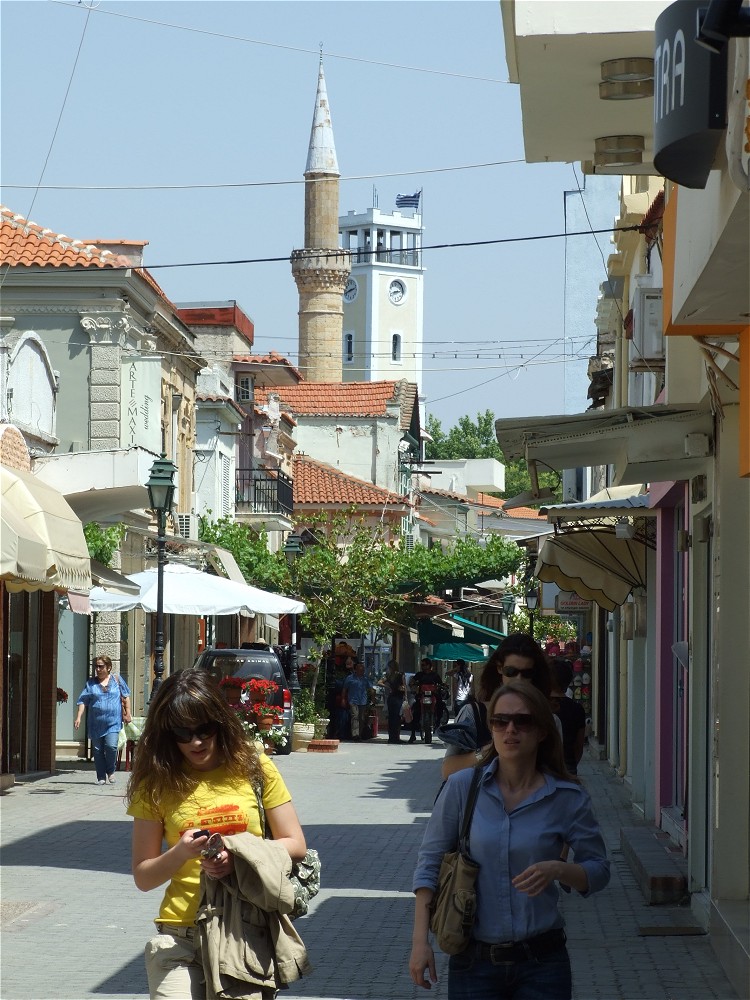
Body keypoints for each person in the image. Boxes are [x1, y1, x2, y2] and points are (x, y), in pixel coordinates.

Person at [410, 680, 610, 999]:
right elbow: (429, 865)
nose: (510, 730)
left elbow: (599, 870)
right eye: (500, 721)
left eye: (523, 721)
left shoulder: (566, 797)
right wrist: (421, 944)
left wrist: (559, 870)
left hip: (543, 963)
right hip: (474, 963)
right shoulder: (462, 788)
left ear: (542, 730)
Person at [126, 668, 308, 1000]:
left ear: (219, 722)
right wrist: (180, 853)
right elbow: (143, 876)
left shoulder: (254, 766)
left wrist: (235, 853)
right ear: (168, 734)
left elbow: (295, 844)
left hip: (244, 934)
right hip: (180, 936)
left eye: (204, 729)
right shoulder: (155, 784)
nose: (195, 741)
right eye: (182, 733)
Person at [442, 633, 551, 777]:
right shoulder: (474, 714)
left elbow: (558, 769)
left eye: (527, 673)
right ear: (500, 668)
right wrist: (487, 752)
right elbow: (448, 770)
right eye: (511, 672)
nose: (518, 679)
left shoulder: (547, 718)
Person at [74, 655, 131, 785]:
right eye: (96, 666)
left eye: (101, 666)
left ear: (108, 667)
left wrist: (128, 713)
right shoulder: (91, 683)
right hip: (95, 724)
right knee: (98, 751)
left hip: (113, 722)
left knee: (111, 746)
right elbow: (83, 700)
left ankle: (110, 771)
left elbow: (126, 696)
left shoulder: (117, 680)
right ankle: (101, 776)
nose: (98, 669)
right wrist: (78, 717)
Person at [550, 658, 586, 775]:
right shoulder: (577, 709)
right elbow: (579, 746)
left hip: (545, 768)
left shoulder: (540, 706)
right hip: (569, 765)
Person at [409, 658, 443, 744]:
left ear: (429, 665)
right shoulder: (419, 674)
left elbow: (440, 684)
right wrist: (412, 683)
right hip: (422, 696)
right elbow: (412, 681)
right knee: (415, 711)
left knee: (440, 705)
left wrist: (441, 686)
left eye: (424, 665)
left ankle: (438, 722)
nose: (422, 667)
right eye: (422, 665)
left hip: (433, 696)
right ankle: (413, 734)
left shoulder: (435, 675)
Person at [342, 661, 374, 741]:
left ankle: (359, 734)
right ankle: (355, 735)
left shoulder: (365, 679)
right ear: (356, 670)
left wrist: (373, 698)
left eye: (363, 670)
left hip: (363, 701)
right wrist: (343, 699)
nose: (362, 671)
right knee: (355, 716)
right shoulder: (350, 678)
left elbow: (371, 689)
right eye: (360, 669)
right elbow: (344, 689)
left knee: (361, 718)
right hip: (353, 701)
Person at [379, 659, 405, 743]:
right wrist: (406, 697)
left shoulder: (387, 675)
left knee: (391, 718)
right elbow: (403, 686)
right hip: (398, 697)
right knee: (397, 718)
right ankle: (396, 737)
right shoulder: (400, 674)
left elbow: (379, 682)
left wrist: (388, 687)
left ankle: (391, 737)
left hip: (391, 698)